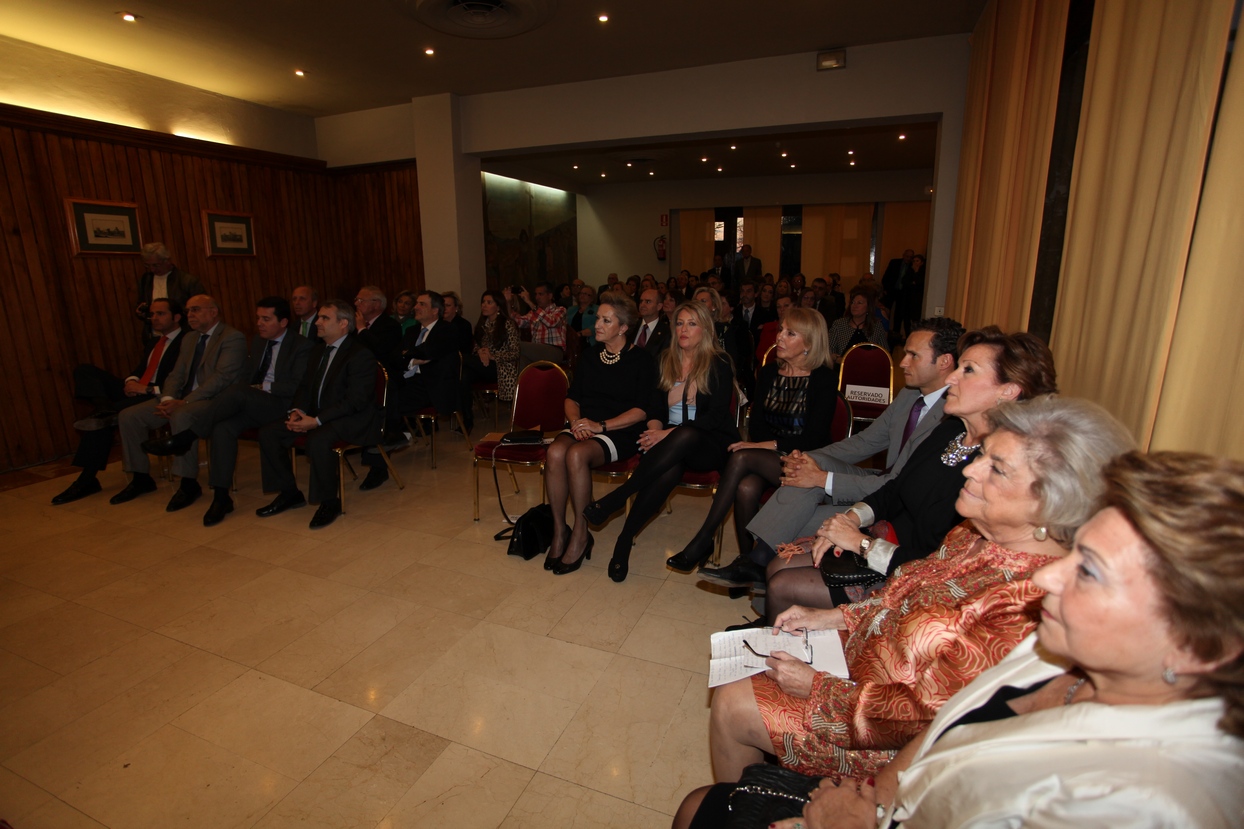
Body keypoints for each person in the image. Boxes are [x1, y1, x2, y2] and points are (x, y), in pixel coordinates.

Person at [704, 450, 1244, 829]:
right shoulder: (1050, 648)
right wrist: (837, 622)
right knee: (703, 805)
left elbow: (925, 721)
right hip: (883, 754)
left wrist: (854, 820)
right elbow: (945, 725)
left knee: (715, 778)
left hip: (869, 726)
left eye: (1091, 572)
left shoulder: (1147, 801)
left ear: (1196, 646)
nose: (1051, 577)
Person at [701, 396, 1135, 790]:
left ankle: (746, 805)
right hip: (863, 663)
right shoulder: (973, 534)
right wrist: (833, 618)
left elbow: (926, 719)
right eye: (982, 456)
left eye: (996, 468)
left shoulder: (1031, 603)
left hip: (888, 745)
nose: (970, 469)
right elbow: (901, 593)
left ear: (1051, 503)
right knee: (749, 658)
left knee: (732, 703)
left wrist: (816, 686)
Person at [764, 327, 1059, 620]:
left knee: (783, 584)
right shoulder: (950, 430)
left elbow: (933, 563)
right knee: (777, 565)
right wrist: (850, 518)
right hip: (885, 540)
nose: (953, 376)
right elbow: (894, 488)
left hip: (915, 577)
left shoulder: (995, 471)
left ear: (1007, 391)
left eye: (968, 370)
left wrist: (859, 542)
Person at [703, 318, 965, 588]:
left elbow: (896, 485)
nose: (902, 362)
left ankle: (759, 564)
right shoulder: (911, 395)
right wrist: (808, 460)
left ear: (944, 361)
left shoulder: (953, 416)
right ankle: (759, 565)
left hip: (900, 502)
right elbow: (865, 441)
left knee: (795, 518)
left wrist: (821, 479)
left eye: (913, 355)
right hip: (879, 482)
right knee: (806, 474)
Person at [667, 308, 837, 574]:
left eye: (789, 333)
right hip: (769, 458)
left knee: (742, 456)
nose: (779, 337)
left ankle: (704, 540)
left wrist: (760, 447)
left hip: (807, 461)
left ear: (810, 343)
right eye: (780, 330)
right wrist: (760, 446)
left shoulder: (824, 378)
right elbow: (757, 427)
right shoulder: (769, 373)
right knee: (746, 487)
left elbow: (813, 437)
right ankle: (748, 564)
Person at [583, 302, 740, 583]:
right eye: (679, 323)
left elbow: (716, 416)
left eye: (691, 324)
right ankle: (624, 541)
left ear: (705, 329)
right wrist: (655, 429)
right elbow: (654, 405)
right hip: (673, 446)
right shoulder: (665, 359)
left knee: (685, 434)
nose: (683, 329)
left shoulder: (719, 362)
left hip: (711, 444)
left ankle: (619, 497)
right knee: (669, 468)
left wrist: (668, 434)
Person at [142, 297, 313, 527]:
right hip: (255, 403)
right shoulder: (259, 342)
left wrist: (260, 388)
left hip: (284, 405)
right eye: (258, 318)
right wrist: (250, 389)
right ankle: (222, 497)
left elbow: (297, 386)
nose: (259, 323)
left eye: (266, 319)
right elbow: (246, 376)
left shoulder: (301, 345)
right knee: (223, 427)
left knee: (237, 392)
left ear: (283, 322)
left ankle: (188, 436)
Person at [544, 293, 654, 575]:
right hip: (586, 424)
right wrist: (577, 422)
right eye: (598, 318)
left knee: (577, 455)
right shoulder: (591, 355)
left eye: (607, 320)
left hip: (621, 430)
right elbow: (573, 397)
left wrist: (598, 426)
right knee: (555, 451)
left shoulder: (641, 360)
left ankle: (582, 533)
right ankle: (559, 531)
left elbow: (642, 410)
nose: (598, 324)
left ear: (623, 327)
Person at [111, 295, 247, 511]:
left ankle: (188, 483)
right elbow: (176, 374)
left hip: (210, 400)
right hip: (180, 398)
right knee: (129, 415)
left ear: (213, 312)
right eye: (188, 311)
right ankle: (140, 478)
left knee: (181, 415)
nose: (190, 315)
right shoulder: (190, 338)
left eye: (196, 310)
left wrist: (183, 402)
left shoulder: (232, 337)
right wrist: (168, 399)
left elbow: (222, 379)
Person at [256, 300, 382, 529]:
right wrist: (297, 411)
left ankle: (329, 502)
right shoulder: (317, 350)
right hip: (318, 415)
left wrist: (316, 421)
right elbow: (304, 387)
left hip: (354, 418)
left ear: (343, 324)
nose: (318, 322)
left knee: (318, 439)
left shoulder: (359, 354)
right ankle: (289, 492)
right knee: (268, 433)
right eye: (319, 317)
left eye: (325, 318)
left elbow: (356, 400)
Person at [52, 298, 191, 506]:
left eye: (160, 314)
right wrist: (131, 381)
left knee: (102, 422)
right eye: (152, 314)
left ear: (177, 317)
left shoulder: (187, 341)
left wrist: (145, 388)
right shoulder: (154, 342)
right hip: (140, 389)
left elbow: (182, 381)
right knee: (85, 371)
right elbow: (141, 369)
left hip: (158, 393)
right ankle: (103, 406)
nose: (154, 318)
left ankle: (89, 479)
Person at [134, 242, 204, 345]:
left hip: (183, 336)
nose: (152, 269)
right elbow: (141, 304)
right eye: (148, 265)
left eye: (156, 265)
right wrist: (141, 312)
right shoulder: (145, 280)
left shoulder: (187, 281)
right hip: (154, 335)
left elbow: (201, 310)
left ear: (167, 260)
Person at [464, 289, 520, 403]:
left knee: (461, 358)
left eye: (489, 302)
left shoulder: (507, 324)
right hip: (482, 364)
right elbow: (476, 346)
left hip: (500, 367)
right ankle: (466, 416)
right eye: (483, 302)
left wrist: (492, 356)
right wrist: (480, 351)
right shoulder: (481, 324)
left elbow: (515, 352)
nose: (484, 305)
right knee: (464, 376)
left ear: (498, 307)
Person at [828, 284, 889, 362]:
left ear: (868, 307)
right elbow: (829, 350)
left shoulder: (876, 326)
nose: (854, 305)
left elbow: (884, 353)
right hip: (842, 368)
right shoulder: (839, 324)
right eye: (853, 302)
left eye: (859, 303)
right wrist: (838, 359)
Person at [507, 281, 567, 354]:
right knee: (519, 359)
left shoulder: (560, 310)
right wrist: (508, 303)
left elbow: (551, 322)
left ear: (550, 296)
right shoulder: (533, 313)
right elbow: (517, 322)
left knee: (519, 345)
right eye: (536, 294)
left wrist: (529, 302)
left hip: (554, 350)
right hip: (537, 350)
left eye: (540, 294)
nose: (537, 297)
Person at [891, 253, 926, 343]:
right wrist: (912, 281)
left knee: (915, 319)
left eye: (917, 261)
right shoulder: (909, 270)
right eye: (914, 261)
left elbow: (918, 282)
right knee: (906, 319)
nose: (915, 263)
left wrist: (916, 273)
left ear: (921, 262)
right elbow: (904, 281)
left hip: (917, 300)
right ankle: (908, 337)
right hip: (907, 299)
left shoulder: (923, 272)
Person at [754, 295, 794, 362]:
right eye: (779, 307)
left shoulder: (799, 329)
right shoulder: (768, 327)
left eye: (786, 306)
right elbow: (760, 355)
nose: (782, 309)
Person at [633, 288, 670, 355]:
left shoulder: (666, 333)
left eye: (648, 302)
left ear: (659, 306)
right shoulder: (631, 327)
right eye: (641, 301)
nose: (642, 305)